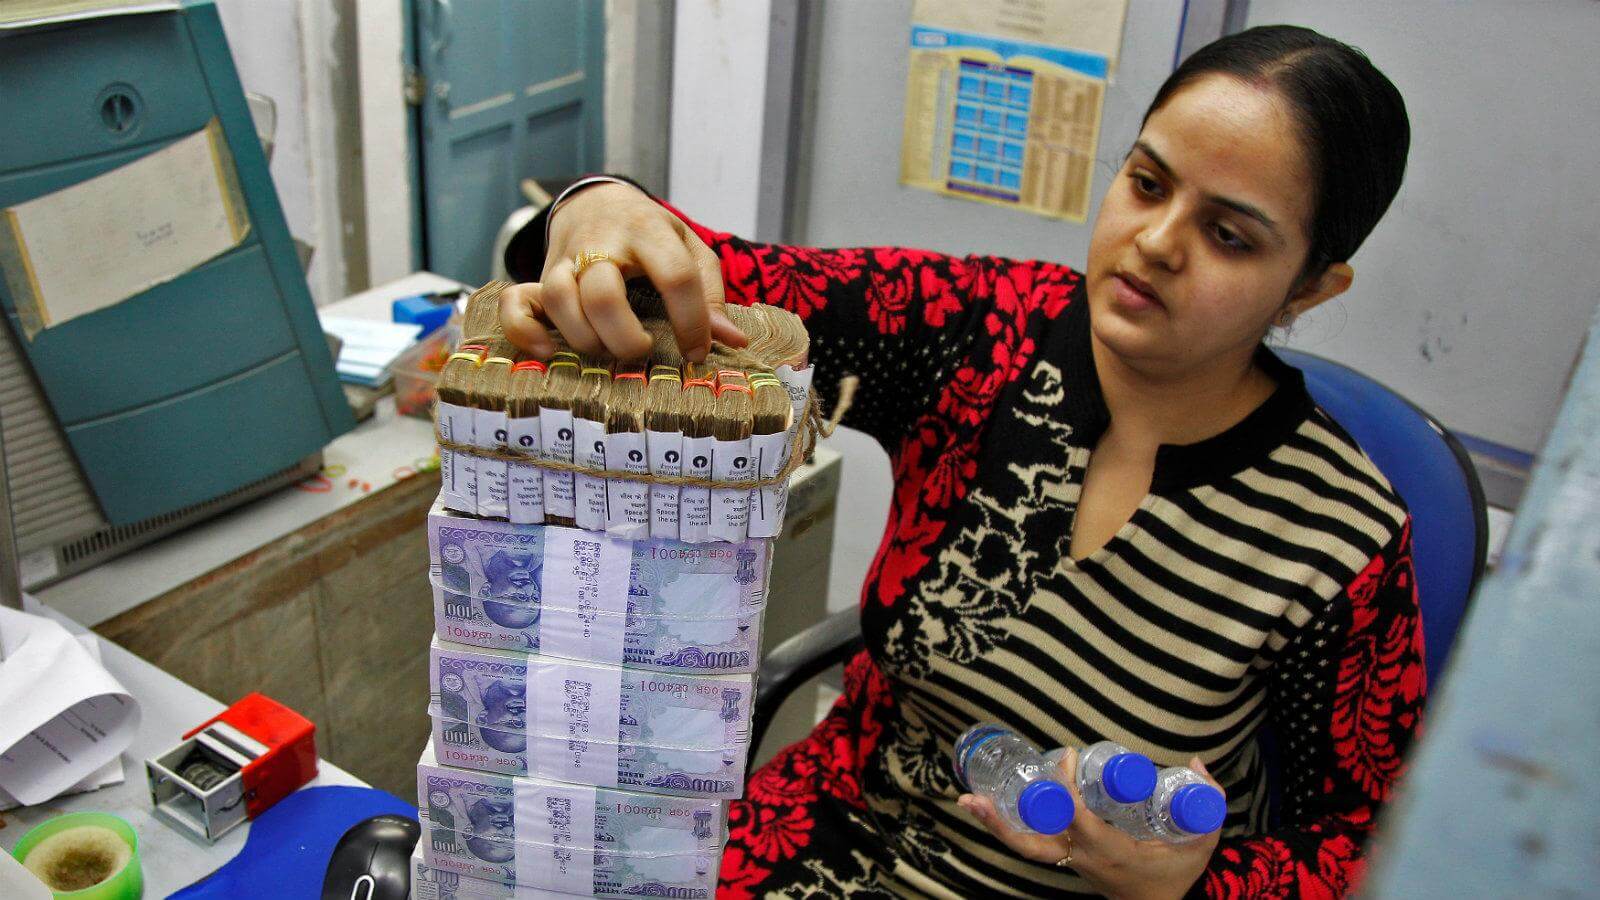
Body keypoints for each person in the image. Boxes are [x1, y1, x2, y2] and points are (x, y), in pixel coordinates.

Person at [498, 24, 1422, 899]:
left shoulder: (1340, 536)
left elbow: (1369, 837)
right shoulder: (983, 333)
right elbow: (725, 290)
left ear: (1311, 285)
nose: (1156, 242)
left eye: (1228, 236)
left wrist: (1186, 886)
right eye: (1147, 183)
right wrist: (598, 209)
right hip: (842, 827)